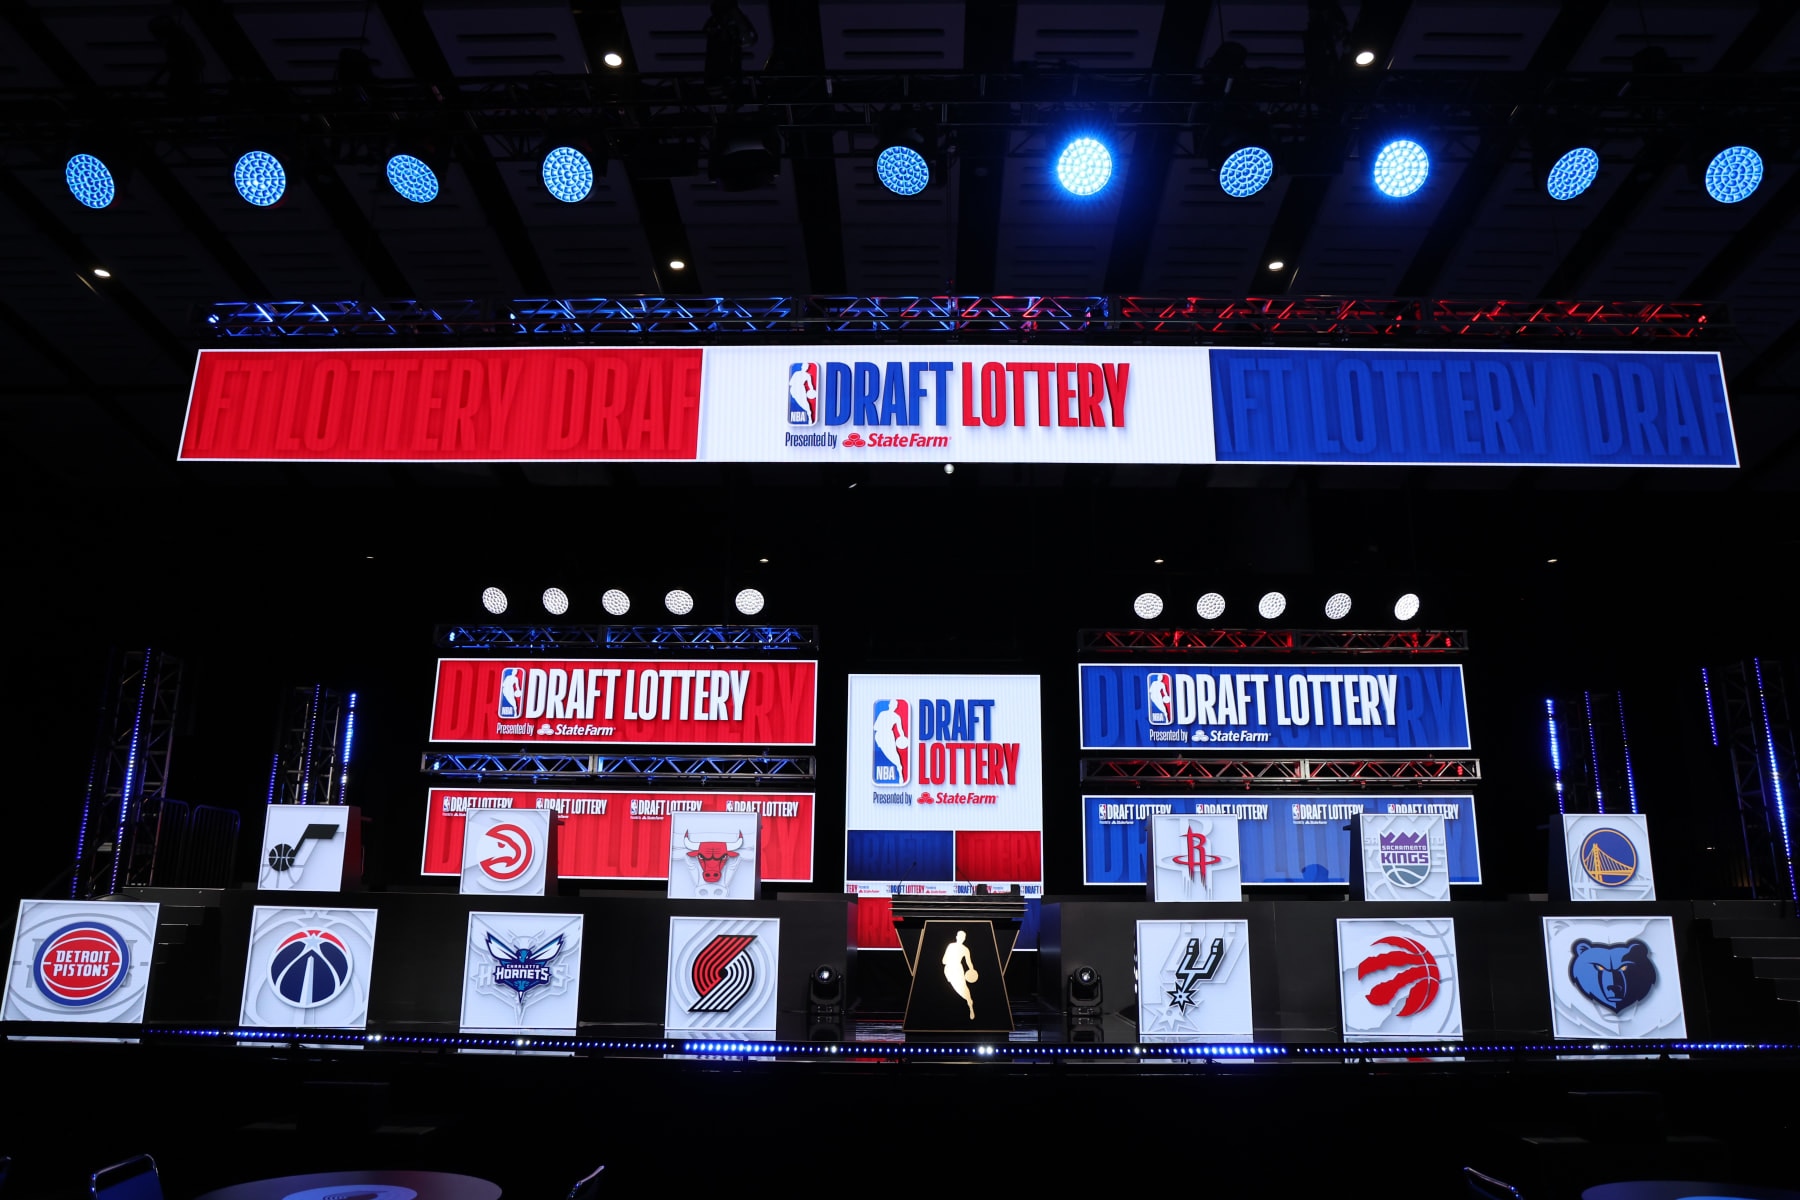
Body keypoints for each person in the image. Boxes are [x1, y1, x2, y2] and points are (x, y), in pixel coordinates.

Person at [942, 929, 976, 1020]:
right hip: (949, 969)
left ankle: (970, 1005)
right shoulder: (950, 946)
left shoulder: (965, 949)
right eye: (960, 936)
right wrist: (949, 962)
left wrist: (972, 970)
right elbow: (944, 960)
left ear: (964, 939)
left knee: (964, 988)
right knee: (955, 988)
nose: (961, 938)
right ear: (957, 937)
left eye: (963, 937)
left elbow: (969, 962)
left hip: (958, 969)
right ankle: (968, 1001)